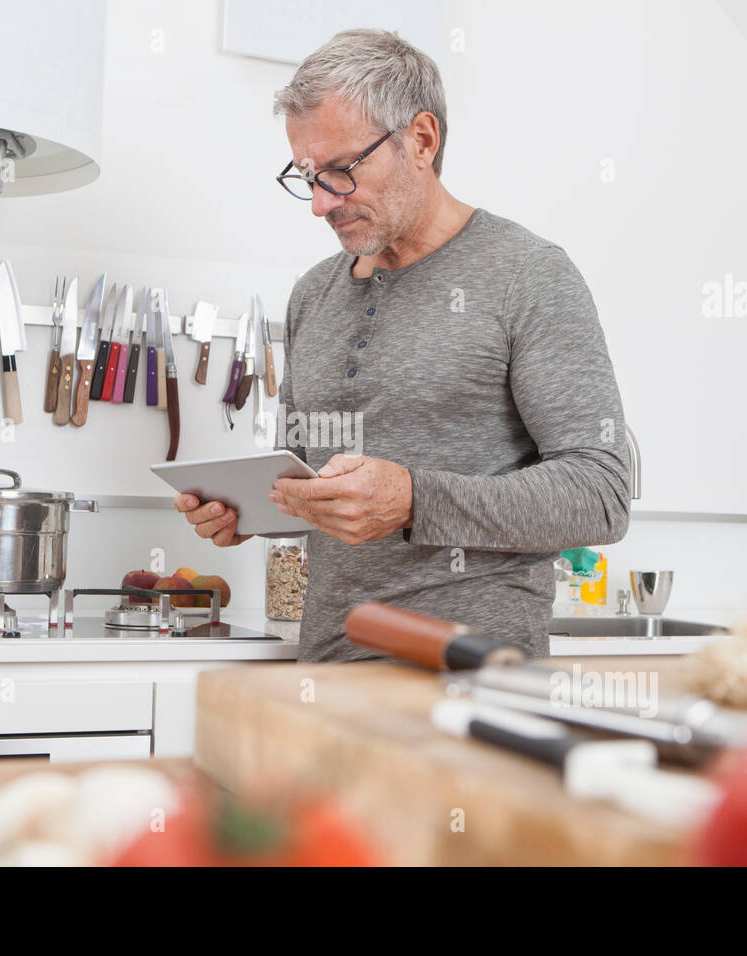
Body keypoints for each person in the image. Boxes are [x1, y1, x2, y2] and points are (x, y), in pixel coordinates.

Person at [175, 28, 630, 661]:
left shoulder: (528, 275)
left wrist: (414, 500)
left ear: (421, 139)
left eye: (340, 172)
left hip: (473, 676)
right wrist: (249, 510)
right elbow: (316, 482)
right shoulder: (312, 294)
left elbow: (601, 494)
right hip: (330, 665)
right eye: (306, 176)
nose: (318, 203)